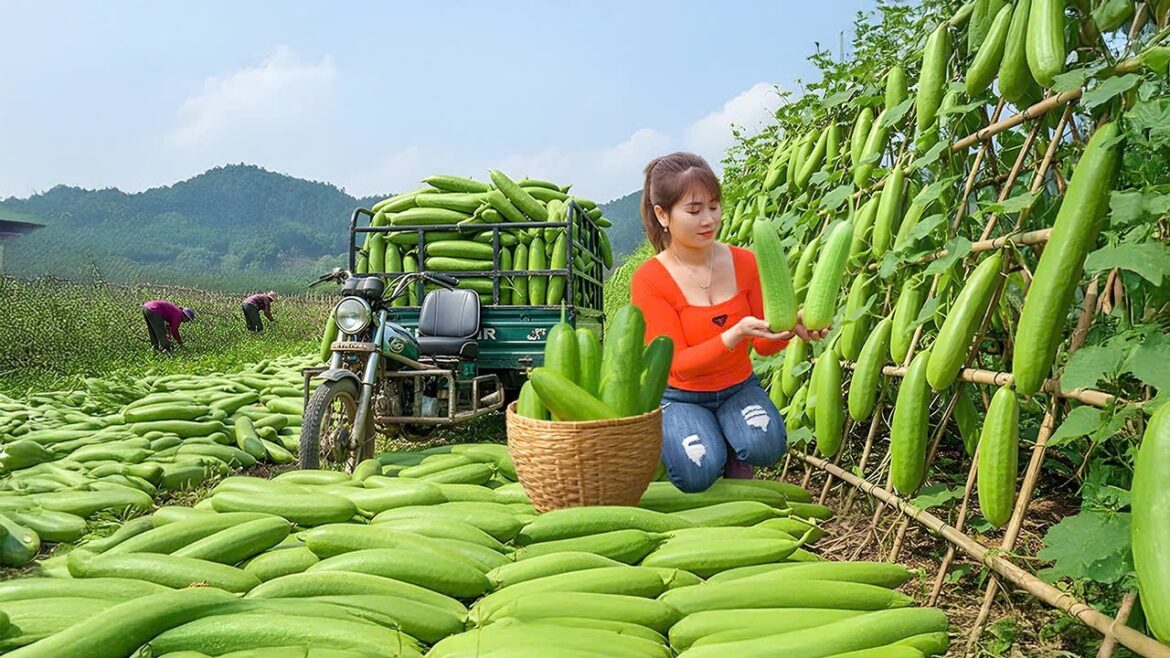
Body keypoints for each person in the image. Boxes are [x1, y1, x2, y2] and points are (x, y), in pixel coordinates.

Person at [631, 152, 829, 493]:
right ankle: (711, 441)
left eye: (714, 206)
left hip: (737, 387)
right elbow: (678, 364)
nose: (709, 219)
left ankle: (728, 438)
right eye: (694, 211)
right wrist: (733, 335)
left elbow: (765, 346)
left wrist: (790, 329)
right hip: (681, 394)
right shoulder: (650, 279)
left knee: (765, 445)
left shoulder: (746, 262)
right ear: (663, 215)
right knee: (697, 471)